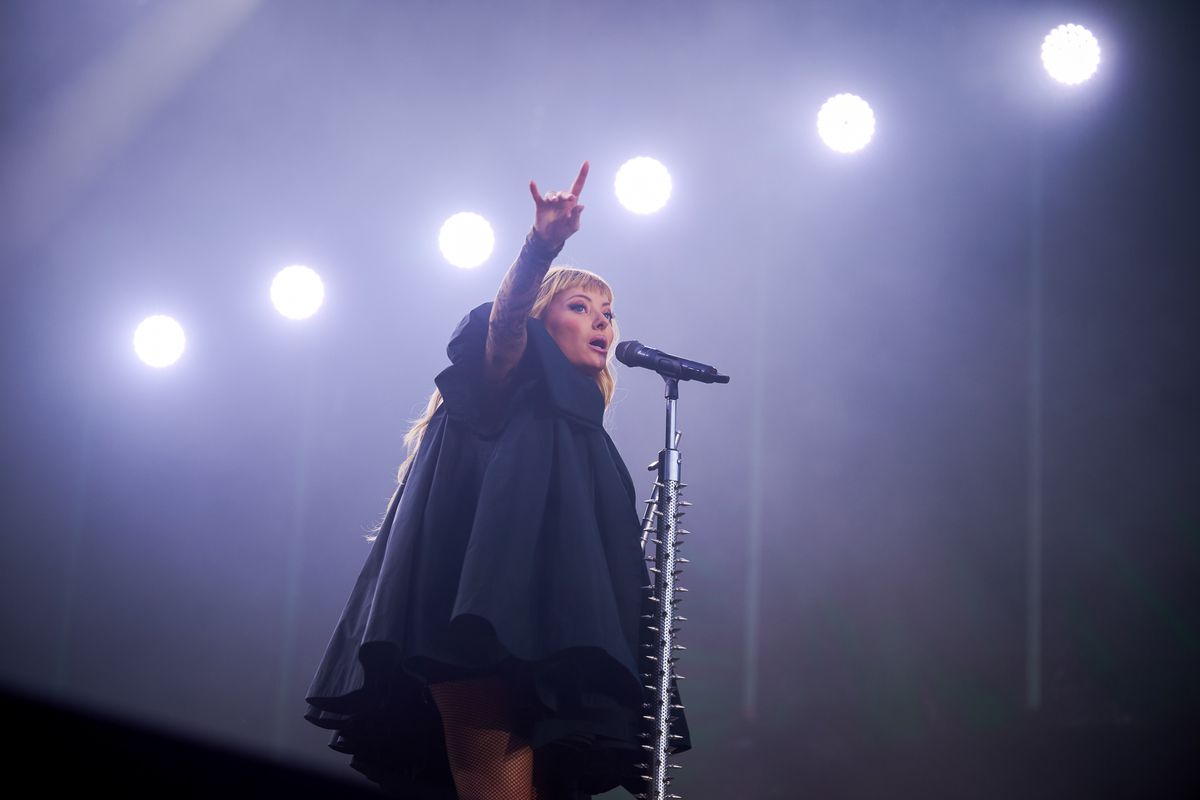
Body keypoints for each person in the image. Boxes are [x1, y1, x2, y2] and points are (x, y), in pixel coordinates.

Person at [304, 162, 690, 800]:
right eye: (580, 307)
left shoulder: (580, 429)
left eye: (608, 312)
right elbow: (505, 326)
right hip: (476, 630)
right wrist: (541, 247)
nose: (603, 322)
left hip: (546, 629)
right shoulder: (505, 380)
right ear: (543, 320)